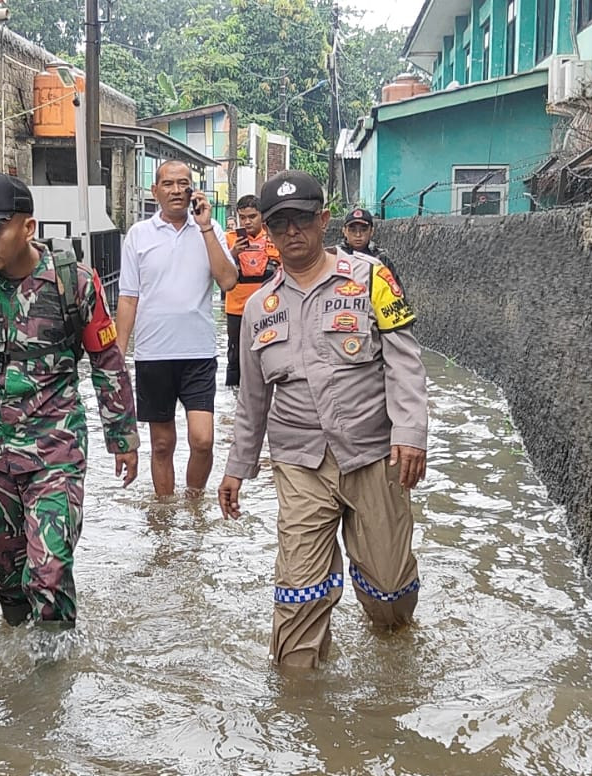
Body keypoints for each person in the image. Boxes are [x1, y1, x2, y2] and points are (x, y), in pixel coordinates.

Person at [218, 171, 430, 669]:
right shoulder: (256, 309)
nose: (292, 232)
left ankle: (394, 670)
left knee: (389, 595)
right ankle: (299, 709)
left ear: (324, 220)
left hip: (373, 454)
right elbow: (252, 399)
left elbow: (404, 361)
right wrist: (236, 468)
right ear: (267, 232)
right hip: (299, 464)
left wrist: (411, 433)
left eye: (302, 219)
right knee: (298, 600)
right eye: (280, 223)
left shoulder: (372, 280)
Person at [0, 174, 140, 628]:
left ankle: (52, 678)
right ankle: (18, 662)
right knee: (5, 572)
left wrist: (123, 436)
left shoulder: (73, 284)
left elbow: (107, 360)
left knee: (49, 569)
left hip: (55, 447)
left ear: (28, 227)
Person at [116, 161, 240, 497]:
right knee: (161, 444)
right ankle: (166, 514)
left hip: (198, 353)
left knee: (203, 440)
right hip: (153, 354)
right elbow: (128, 298)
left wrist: (205, 228)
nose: (175, 190)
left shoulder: (209, 229)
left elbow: (229, 281)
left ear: (192, 190)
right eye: (167, 184)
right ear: (155, 191)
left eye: (182, 183)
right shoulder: (139, 236)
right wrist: (116, 359)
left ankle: (194, 503)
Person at [223, 195, 280, 388]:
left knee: (269, 352)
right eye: (243, 217)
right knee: (235, 355)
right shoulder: (228, 239)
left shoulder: (273, 237)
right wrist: (232, 254)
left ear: (262, 216)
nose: (247, 221)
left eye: (252, 216)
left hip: (267, 308)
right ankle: (233, 401)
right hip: (236, 308)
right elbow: (218, 271)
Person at [338, 207, 402, 284]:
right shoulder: (336, 257)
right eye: (353, 230)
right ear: (344, 231)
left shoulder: (380, 260)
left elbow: (396, 291)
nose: (358, 235)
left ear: (371, 231)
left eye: (363, 230)